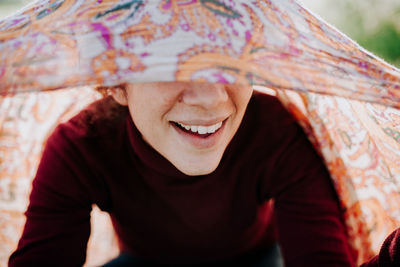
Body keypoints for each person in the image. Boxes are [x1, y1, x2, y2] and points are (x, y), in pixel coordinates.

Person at [9, 82, 355, 266]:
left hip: (257, 259)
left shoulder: (278, 130)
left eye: (230, 59)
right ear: (115, 83)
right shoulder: (81, 146)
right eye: (169, 65)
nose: (211, 98)